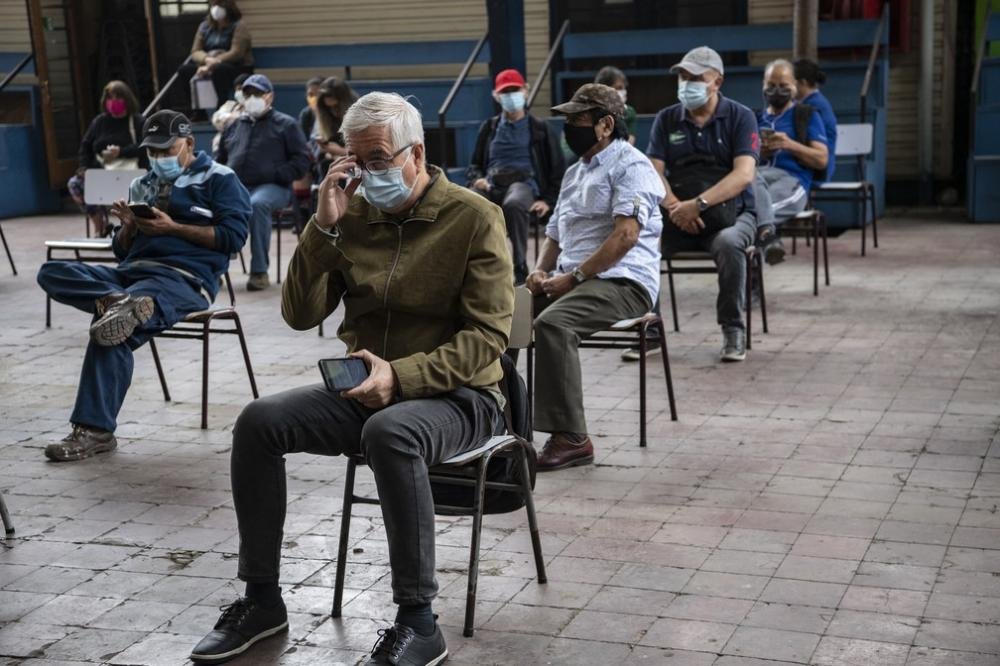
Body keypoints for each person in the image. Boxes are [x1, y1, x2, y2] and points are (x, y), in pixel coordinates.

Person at [189, 92, 513, 666]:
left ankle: (419, 622)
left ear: (417, 154)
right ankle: (261, 599)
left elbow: (487, 338)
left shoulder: (474, 217)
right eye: (356, 161)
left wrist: (401, 377)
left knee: (391, 432)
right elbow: (298, 314)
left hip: (462, 397)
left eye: (380, 159)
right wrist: (321, 229)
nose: (368, 173)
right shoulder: (353, 215)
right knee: (260, 421)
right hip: (365, 390)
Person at [36, 110, 251, 462]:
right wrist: (128, 228)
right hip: (130, 275)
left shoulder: (220, 179)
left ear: (189, 143)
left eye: (167, 150)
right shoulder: (141, 185)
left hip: (181, 279)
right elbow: (121, 252)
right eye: (153, 151)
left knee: (112, 330)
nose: (159, 157)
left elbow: (234, 238)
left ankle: (94, 430)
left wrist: (173, 228)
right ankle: (115, 301)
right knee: (52, 271)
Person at [524, 83, 664, 471]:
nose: (568, 129)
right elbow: (555, 232)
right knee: (498, 314)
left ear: (605, 125)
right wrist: (540, 270)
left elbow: (626, 236)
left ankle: (571, 438)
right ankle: (498, 420)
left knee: (554, 324)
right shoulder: (575, 172)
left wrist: (574, 277)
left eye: (577, 120)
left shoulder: (632, 167)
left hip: (623, 283)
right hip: (575, 279)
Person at [647, 46, 760, 362]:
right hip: (678, 214)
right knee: (642, 242)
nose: (687, 84)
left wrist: (698, 205)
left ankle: (733, 329)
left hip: (732, 214)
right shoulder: (667, 118)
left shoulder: (740, 117)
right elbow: (653, 171)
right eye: (683, 77)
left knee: (728, 244)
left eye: (696, 78)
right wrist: (675, 207)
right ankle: (649, 330)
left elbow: (744, 174)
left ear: (717, 82)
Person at [466, 68, 565, 284]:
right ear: (496, 96)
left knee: (514, 202)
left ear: (525, 91)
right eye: (505, 92)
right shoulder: (489, 128)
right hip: (492, 184)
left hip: (523, 184)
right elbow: (474, 165)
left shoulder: (541, 129)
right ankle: (480, 265)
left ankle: (519, 265)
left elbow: (557, 170)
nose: (510, 96)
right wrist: (477, 178)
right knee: (469, 201)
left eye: (515, 90)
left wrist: (548, 200)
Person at [215, 74, 310, 290]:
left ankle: (259, 271)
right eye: (248, 94)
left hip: (274, 187)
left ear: (270, 96)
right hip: (237, 186)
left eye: (258, 93)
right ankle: (215, 269)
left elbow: (302, 161)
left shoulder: (286, 124)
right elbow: (219, 159)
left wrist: (277, 173)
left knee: (256, 205)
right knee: (214, 203)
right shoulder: (234, 125)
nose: (252, 98)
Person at [755, 58, 829, 264]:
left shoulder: (805, 116)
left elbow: (822, 159)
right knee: (745, 203)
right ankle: (769, 240)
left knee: (747, 216)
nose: (777, 90)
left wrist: (789, 144)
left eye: (783, 85)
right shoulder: (755, 118)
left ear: (795, 86)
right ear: (763, 85)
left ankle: (754, 269)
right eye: (771, 85)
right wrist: (760, 151)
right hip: (758, 177)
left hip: (791, 180)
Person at [69, 80, 147, 238]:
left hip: (130, 173)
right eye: (110, 97)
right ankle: (100, 226)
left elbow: (145, 146)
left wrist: (121, 152)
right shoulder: (100, 122)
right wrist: (84, 167)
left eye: (118, 97)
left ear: (127, 99)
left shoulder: (137, 121)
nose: (113, 101)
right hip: (102, 170)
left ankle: (129, 229)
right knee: (75, 184)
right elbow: (85, 146)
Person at [180, 0, 253, 113]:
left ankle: (221, 108)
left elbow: (236, 52)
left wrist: (215, 62)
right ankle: (198, 112)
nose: (216, 9)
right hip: (207, 63)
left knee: (219, 70)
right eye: (215, 5)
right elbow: (195, 51)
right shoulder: (204, 26)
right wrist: (206, 59)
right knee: (184, 70)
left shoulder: (239, 26)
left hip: (235, 66)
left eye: (220, 6)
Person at [794, 58, 838, 182]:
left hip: (816, 170)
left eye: (790, 82)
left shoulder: (813, 106)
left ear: (802, 83)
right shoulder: (813, 101)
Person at [594, 66, 637, 144]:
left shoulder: (629, 112)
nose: (623, 91)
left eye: (624, 88)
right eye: (619, 88)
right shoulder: (589, 111)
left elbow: (629, 143)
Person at [209, 72, 249, 153]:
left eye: (242, 88)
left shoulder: (255, 109)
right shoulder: (230, 105)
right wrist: (238, 118)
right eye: (238, 89)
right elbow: (216, 119)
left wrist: (231, 119)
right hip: (221, 150)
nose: (240, 92)